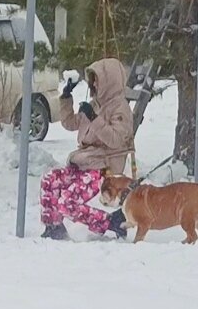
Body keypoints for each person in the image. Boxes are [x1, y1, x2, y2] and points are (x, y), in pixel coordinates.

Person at [40, 58, 133, 240]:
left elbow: (115, 140)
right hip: (83, 163)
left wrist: (94, 118)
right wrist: (66, 98)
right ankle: (54, 226)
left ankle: (109, 222)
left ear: (109, 81)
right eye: (92, 79)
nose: (94, 84)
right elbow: (70, 123)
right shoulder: (96, 103)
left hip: (102, 167)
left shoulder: (120, 109)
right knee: (49, 179)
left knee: (68, 201)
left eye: (96, 79)